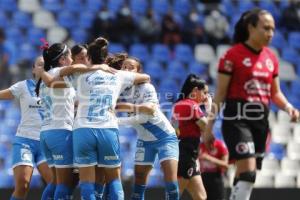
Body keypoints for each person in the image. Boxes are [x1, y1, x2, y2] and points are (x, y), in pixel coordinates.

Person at [203, 8, 300, 200]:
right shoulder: (232, 56)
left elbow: (276, 93)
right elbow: (221, 93)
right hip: (237, 118)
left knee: (247, 175)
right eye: (265, 28)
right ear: (251, 28)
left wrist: (289, 107)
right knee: (247, 171)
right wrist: (209, 127)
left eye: (273, 29)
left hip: (261, 121)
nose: (270, 33)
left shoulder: (271, 58)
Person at [39, 37, 150, 200]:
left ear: (89, 58)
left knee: (86, 182)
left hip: (82, 130)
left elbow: (54, 80)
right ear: (105, 58)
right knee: (113, 179)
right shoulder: (118, 74)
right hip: (107, 129)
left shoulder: (79, 75)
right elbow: (145, 77)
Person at [117, 57, 180, 200]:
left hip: (165, 138)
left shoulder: (147, 87)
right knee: (139, 178)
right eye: (124, 67)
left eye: (131, 67)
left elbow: (145, 116)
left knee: (170, 180)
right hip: (144, 140)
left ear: (138, 71)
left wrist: (117, 120)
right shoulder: (120, 90)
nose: (126, 70)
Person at [0, 56, 53, 200]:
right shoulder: (23, 85)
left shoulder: (58, 88)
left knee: (56, 185)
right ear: (33, 69)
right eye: (40, 65)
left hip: (47, 143)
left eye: (46, 66)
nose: (43, 68)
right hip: (25, 142)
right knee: (23, 185)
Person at [172, 74, 208, 200]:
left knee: (201, 196)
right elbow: (207, 128)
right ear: (195, 91)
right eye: (205, 92)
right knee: (176, 194)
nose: (206, 97)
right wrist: (209, 107)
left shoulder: (178, 105)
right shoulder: (191, 105)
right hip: (186, 154)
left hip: (186, 153)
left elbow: (175, 128)